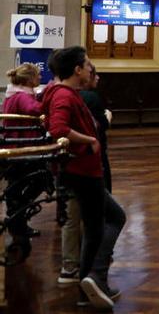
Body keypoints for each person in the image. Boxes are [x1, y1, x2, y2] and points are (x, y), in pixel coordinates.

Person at [42, 46, 125, 310]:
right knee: (110, 220)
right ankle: (94, 277)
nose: (91, 69)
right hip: (83, 172)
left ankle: (89, 286)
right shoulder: (65, 95)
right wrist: (89, 139)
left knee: (97, 227)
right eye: (88, 64)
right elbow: (58, 129)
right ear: (77, 69)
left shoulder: (66, 93)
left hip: (84, 171)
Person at [2, 63, 44, 240]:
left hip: (13, 146)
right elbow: (34, 109)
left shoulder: (13, 95)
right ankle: (17, 217)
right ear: (29, 79)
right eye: (38, 76)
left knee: (15, 185)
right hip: (23, 147)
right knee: (36, 181)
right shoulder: (22, 96)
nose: (40, 78)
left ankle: (16, 220)